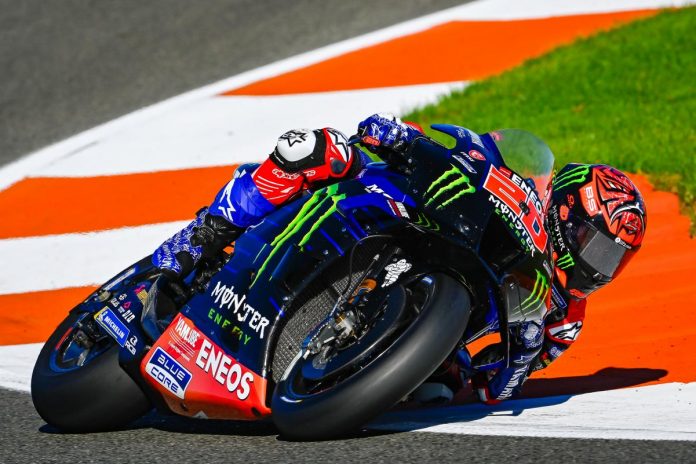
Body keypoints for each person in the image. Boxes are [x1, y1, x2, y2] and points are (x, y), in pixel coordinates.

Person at [152, 113, 647, 404]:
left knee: (442, 391)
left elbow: (494, 386)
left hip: (429, 321)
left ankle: (341, 372)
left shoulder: (565, 318)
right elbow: (469, 156)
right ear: (566, 213)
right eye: (597, 246)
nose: (600, 266)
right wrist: (402, 136)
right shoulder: (521, 198)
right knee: (320, 150)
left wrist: (510, 360)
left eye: (614, 259)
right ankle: (205, 235)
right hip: (407, 221)